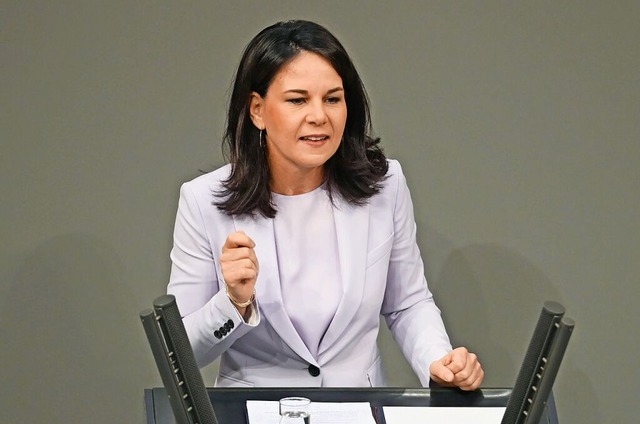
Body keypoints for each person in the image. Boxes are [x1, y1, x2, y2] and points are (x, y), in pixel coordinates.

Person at [167, 19, 484, 390]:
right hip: (254, 413)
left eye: (332, 98)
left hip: (359, 410)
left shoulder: (385, 185)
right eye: (297, 100)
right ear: (257, 110)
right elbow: (179, 353)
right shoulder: (204, 201)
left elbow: (407, 303)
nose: (319, 116)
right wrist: (233, 303)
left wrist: (438, 362)